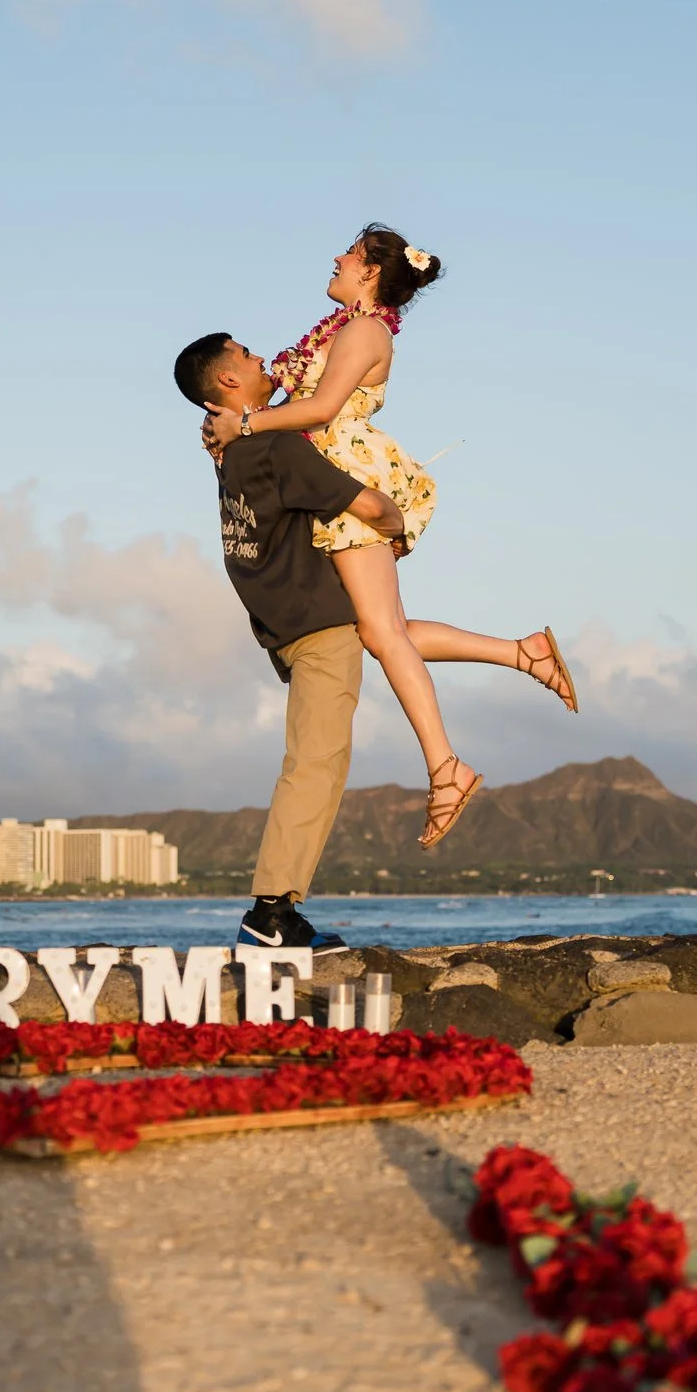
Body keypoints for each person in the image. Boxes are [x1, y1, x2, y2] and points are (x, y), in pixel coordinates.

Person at [200, 224, 575, 850]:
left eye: (347, 255)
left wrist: (246, 422)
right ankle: (522, 653)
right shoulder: (343, 327)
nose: (336, 260)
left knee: (379, 633)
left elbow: (321, 411)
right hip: (332, 480)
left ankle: (446, 767)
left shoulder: (365, 331)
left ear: (371, 272)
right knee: (383, 630)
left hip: (352, 476)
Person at [175, 330, 402, 951]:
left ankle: (276, 908)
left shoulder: (235, 456)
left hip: (285, 628)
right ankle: (272, 912)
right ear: (227, 382)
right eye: (247, 356)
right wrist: (401, 516)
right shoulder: (272, 447)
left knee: (313, 761)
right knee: (317, 765)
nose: (261, 357)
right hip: (320, 623)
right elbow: (370, 507)